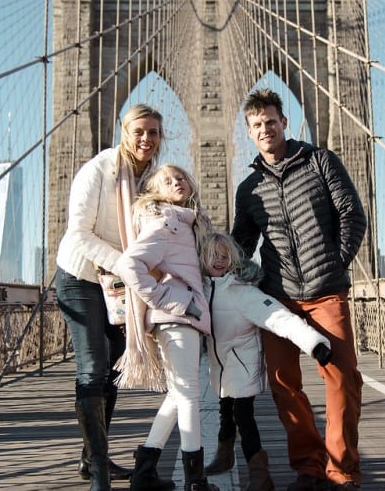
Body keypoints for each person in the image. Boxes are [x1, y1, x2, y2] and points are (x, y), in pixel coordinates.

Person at [231, 89, 368, 491]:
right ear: (250, 134)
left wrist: (334, 263)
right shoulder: (249, 188)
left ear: (284, 123)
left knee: (343, 378)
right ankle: (309, 467)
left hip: (326, 292)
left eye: (271, 121)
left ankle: (342, 471)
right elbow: (241, 245)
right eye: (256, 125)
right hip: (279, 301)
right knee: (283, 383)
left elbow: (351, 214)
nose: (265, 129)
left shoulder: (321, 161)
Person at [55, 104, 164, 491]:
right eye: (139, 131)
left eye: (153, 132)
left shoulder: (154, 179)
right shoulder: (99, 169)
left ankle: (91, 459)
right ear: (124, 131)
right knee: (92, 367)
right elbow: (78, 234)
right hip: (80, 277)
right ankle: (99, 471)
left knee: (113, 370)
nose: (146, 139)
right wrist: (125, 264)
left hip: (118, 287)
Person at [112, 164, 219, 491]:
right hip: (176, 318)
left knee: (178, 393)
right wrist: (174, 300)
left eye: (182, 178)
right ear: (156, 191)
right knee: (189, 395)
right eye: (168, 181)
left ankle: (145, 471)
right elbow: (129, 264)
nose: (178, 183)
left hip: (177, 318)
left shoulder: (183, 223)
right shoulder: (167, 222)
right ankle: (195, 481)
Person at [199, 231, 333, 491]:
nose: (219, 260)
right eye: (213, 255)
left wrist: (314, 343)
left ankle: (260, 475)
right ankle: (224, 456)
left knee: (242, 416)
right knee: (226, 412)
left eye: (225, 256)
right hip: (220, 366)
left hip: (243, 365)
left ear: (233, 260)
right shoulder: (201, 289)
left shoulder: (242, 292)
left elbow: (277, 316)